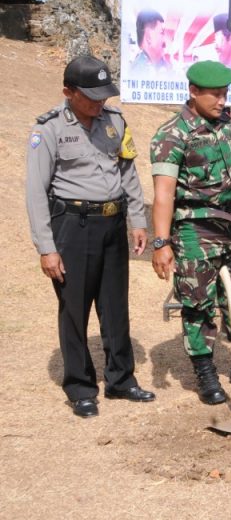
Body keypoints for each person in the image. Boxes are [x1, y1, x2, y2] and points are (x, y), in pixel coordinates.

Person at [25, 56, 155, 418]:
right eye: (91, 96)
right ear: (69, 91)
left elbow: (127, 171)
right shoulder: (48, 129)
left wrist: (137, 220)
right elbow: (36, 192)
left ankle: (121, 379)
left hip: (113, 224)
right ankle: (80, 386)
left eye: (104, 95)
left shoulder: (115, 121)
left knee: (116, 306)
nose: (100, 103)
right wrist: (46, 248)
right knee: (75, 308)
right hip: (73, 226)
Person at [150, 60, 231, 405]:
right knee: (198, 304)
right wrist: (162, 242)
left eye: (225, 94)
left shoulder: (228, 125)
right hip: (196, 229)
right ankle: (206, 375)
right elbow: (163, 193)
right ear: (193, 92)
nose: (222, 101)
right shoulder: (171, 134)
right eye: (216, 95)